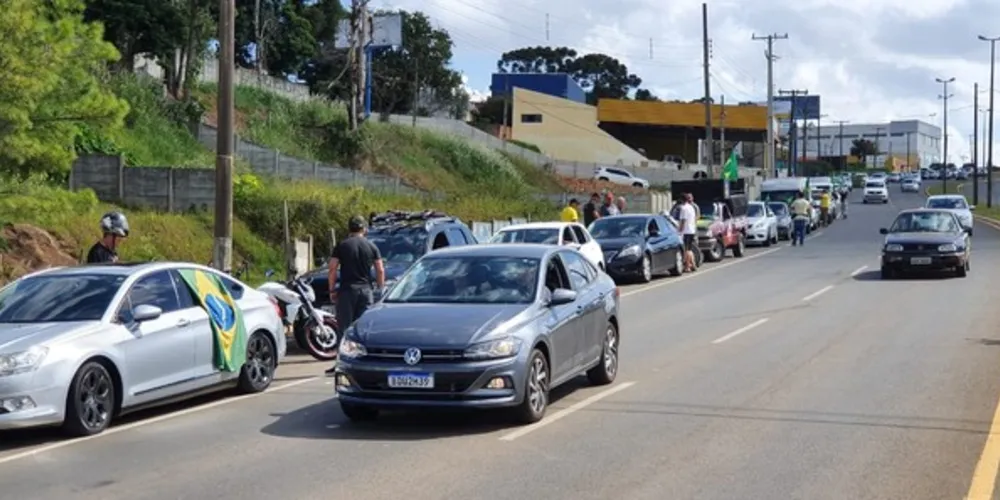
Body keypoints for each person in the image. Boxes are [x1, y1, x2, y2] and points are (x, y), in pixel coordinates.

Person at [325, 215, 385, 376]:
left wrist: (332, 289)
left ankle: (341, 363)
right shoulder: (371, 246)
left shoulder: (342, 246)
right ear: (364, 229)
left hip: (347, 291)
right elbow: (380, 269)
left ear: (349, 229)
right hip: (366, 291)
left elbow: (332, 268)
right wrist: (380, 289)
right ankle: (367, 362)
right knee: (365, 328)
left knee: (344, 328)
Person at [677, 193, 698, 272]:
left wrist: (680, 230)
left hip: (686, 231)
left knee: (686, 250)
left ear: (682, 200)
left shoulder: (684, 208)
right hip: (691, 230)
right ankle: (693, 264)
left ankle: (687, 266)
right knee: (689, 249)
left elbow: (683, 220)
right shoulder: (691, 207)